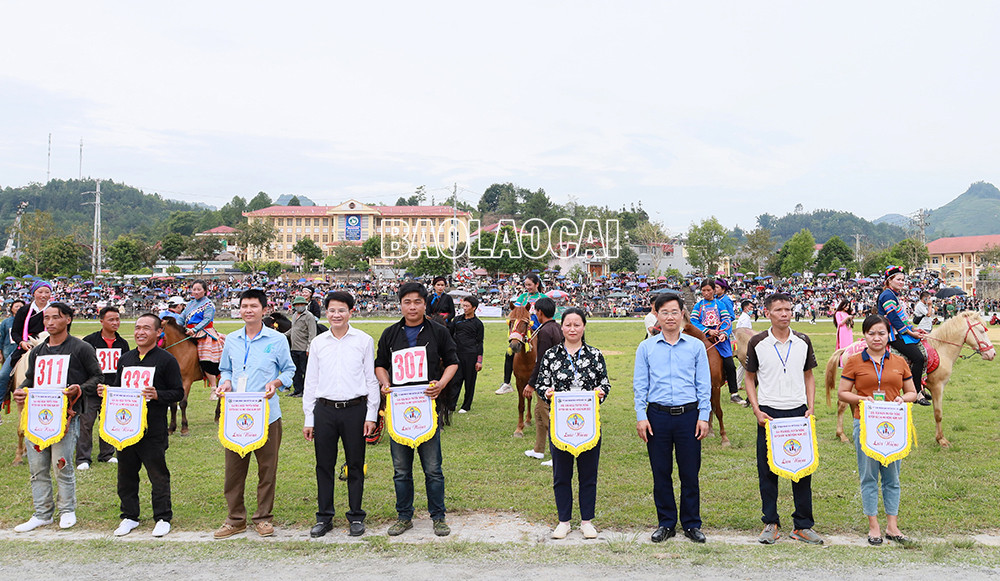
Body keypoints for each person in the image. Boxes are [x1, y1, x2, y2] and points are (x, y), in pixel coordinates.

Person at [374, 281, 458, 537]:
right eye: (407, 302)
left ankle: (438, 516)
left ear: (425, 304)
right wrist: (385, 383)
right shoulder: (390, 333)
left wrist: (441, 384)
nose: (412, 307)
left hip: (426, 406)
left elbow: (453, 362)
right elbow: (380, 364)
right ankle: (404, 516)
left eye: (417, 302)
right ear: (400, 304)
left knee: (433, 468)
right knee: (401, 469)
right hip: (399, 409)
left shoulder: (438, 331)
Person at [12, 303, 102, 532]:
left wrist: (79, 388)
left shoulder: (81, 348)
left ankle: (67, 510)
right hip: (37, 417)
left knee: (61, 464)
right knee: (37, 467)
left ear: (68, 319)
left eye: (55, 318)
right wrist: (21, 390)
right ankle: (42, 513)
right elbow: (30, 378)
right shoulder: (39, 350)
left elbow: (97, 377)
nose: (50, 322)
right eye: (47, 319)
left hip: (66, 417)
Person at [213, 289, 295, 539]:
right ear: (239, 310)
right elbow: (225, 369)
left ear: (263, 309)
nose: (248, 310)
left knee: (267, 469)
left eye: (253, 306)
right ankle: (235, 519)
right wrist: (225, 382)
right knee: (234, 470)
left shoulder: (277, 339)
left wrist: (277, 383)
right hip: (237, 415)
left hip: (267, 414)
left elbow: (289, 370)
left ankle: (263, 518)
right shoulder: (233, 340)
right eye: (244, 306)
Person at [743, 292, 824, 545]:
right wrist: (756, 409)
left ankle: (803, 524)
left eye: (788, 309)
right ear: (768, 313)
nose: (785, 314)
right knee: (767, 471)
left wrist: (810, 407)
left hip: (798, 413)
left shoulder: (803, 340)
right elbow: (749, 377)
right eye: (779, 310)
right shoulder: (757, 342)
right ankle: (771, 522)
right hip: (769, 414)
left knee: (801, 469)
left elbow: (808, 375)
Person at [633, 292, 712, 544]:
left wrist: (704, 415)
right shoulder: (646, 347)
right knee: (661, 472)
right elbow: (640, 385)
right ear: (656, 315)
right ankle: (666, 523)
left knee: (690, 473)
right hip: (657, 417)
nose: (669, 317)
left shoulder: (696, 346)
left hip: (689, 416)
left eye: (674, 312)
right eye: (664, 312)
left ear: (682, 315)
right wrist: (641, 416)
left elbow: (704, 384)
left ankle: (691, 524)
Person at [303, 291, 380, 538]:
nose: (336, 315)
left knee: (355, 465)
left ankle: (356, 516)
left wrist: (371, 415)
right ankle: (324, 516)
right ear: (326, 312)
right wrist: (309, 417)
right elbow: (311, 382)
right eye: (332, 310)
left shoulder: (363, 340)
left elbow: (371, 380)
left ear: (351, 312)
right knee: (324, 465)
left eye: (342, 310)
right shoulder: (318, 343)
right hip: (324, 410)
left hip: (354, 410)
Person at [838, 314, 919, 545]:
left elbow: (912, 392)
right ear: (864, 335)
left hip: (893, 426)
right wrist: (862, 400)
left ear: (889, 335)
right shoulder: (854, 361)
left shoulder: (900, 362)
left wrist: (903, 400)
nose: (876, 338)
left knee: (892, 477)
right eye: (871, 333)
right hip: (864, 424)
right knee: (869, 476)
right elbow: (843, 392)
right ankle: (873, 526)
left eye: (881, 333)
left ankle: (892, 526)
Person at [106, 313, 184, 538]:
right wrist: (107, 392)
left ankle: (162, 517)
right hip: (125, 427)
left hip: (153, 429)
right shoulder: (126, 359)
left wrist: (158, 394)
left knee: (157, 474)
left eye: (146, 328)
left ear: (158, 332)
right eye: (137, 327)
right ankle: (129, 516)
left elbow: (177, 392)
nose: (140, 332)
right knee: (126, 474)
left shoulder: (166, 360)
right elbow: (117, 388)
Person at [536, 307, 610, 540]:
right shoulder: (551, 355)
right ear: (561, 327)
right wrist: (546, 392)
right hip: (561, 426)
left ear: (584, 327)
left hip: (588, 425)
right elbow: (540, 383)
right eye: (568, 324)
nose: (572, 329)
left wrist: (600, 392)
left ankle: (587, 521)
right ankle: (564, 521)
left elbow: (605, 383)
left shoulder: (595, 355)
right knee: (561, 474)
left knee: (588, 473)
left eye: (577, 324)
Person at [78, 306, 129, 470]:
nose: (116, 323)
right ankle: (83, 458)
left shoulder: (123, 344)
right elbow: (81, 367)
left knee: (108, 423)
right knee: (86, 423)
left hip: (112, 392)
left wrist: (114, 388)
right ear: (101, 321)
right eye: (111, 320)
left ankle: (107, 454)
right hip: (91, 391)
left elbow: (124, 369)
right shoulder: (88, 341)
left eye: (117, 319)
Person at [877, 267, 930, 406]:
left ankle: (920, 385)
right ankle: (917, 392)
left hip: (898, 332)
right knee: (918, 357)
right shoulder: (887, 295)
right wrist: (910, 332)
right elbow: (894, 318)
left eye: (903, 280)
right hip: (891, 335)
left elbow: (903, 318)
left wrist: (914, 328)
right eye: (898, 279)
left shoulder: (893, 295)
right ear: (889, 280)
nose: (902, 282)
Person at [692, 279, 745, 406]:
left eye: (708, 290)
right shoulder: (698, 306)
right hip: (703, 338)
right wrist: (707, 331)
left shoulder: (720, 304)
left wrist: (723, 333)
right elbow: (694, 321)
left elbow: (727, 320)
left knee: (730, 365)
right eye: (703, 290)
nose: (706, 293)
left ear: (713, 290)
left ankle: (734, 393)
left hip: (720, 340)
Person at [523, 297, 563, 465]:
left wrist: (531, 383)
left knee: (548, 417)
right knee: (539, 413)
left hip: (548, 382)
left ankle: (558, 456)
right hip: (555, 379)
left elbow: (541, 360)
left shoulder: (545, 331)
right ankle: (539, 449)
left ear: (540, 312)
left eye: (535, 311)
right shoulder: (557, 328)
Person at [496, 274, 545, 394]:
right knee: (510, 352)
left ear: (537, 284)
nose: (527, 287)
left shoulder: (543, 298)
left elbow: (548, 315)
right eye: (526, 285)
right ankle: (507, 383)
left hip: (538, 330)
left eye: (529, 285)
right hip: (523, 332)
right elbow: (515, 313)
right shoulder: (522, 297)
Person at [6, 280, 53, 385]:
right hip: (26, 346)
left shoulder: (56, 310)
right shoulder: (24, 310)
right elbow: (15, 332)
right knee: (3, 376)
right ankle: (3, 398)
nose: (43, 295)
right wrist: (22, 342)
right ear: (33, 293)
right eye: (40, 292)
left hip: (51, 346)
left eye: (47, 292)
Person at [181, 280, 222, 395]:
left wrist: (195, 329)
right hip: (188, 331)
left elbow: (207, 319)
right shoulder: (190, 304)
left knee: (205, 358)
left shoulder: (209, 304)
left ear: (205, 291)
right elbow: (182, 316)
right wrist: (177, 324)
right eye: (194, 289)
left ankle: (214, 387)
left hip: (204, 332)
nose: (196, 291)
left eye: (199, 289)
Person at [448, 295, 484, 414]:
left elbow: (480, 342)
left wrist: (479, 361)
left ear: (474, 308)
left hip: (471, 355)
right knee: (455, 380)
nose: (464, 308)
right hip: (457, 354)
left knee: (470, 381)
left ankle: (466, 406)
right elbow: (449, 334)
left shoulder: (478, 324)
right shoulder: (457, 320)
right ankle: (451, 405)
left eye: (467, 306)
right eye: (463, 305)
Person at [285, 295, 317, 398]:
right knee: (295, 370)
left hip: (303, 349)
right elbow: (293, 329)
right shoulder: (294, 315)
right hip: (294, 347)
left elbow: (312, 334)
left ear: (305, 305)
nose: (299, 306)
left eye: (301, 304)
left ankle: (305, 391)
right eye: (297, 305)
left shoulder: (309, 316)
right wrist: (283, 335)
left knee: (305, 371)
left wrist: (309, 348)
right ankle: (297, 389)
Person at [0, 298, 26, 407]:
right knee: (2, 376)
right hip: (11, 353)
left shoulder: (29, 321)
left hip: (27, 353)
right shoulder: (6, 322)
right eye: (16, 306)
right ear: (11, 309)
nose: (19, 308)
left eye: (21, 306)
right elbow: (1, 339)